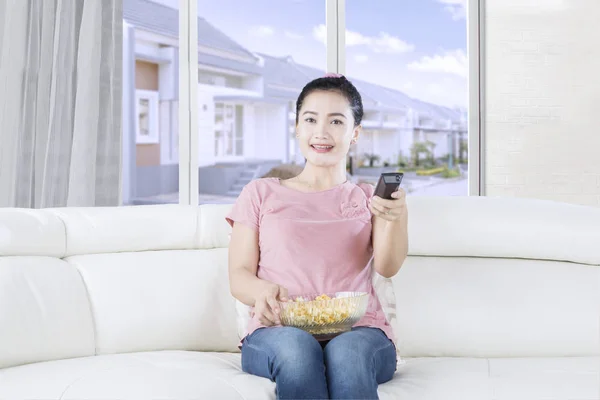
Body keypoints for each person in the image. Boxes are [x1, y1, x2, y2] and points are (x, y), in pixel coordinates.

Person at [226, 73, 409, 400]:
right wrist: (263, 292)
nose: (321, 132)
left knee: (348, 357)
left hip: (360, 330)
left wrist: (396, 217)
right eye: (310, 119)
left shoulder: (368, 198)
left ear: (355, 134)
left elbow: (387, 267)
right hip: (277, 331)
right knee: (297, 351)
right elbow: (239, 276)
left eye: (336, 122)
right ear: (297, 127)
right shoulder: (260, 193)